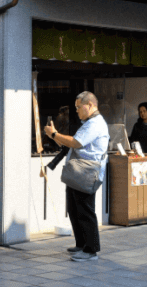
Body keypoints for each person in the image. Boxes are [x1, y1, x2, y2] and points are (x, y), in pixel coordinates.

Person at [44, 90, 109, 262]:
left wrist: (53, 134)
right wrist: (56, 135)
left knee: (85, 210)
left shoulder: (95, 123)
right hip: (79, 171)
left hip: (87, 172)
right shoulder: (88, 123)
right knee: (74, 208)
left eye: (79, 107)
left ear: (90, 105)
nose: (77, 110)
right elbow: (72, 142)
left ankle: (90, 250)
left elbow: (76, 142)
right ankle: (81, 243)